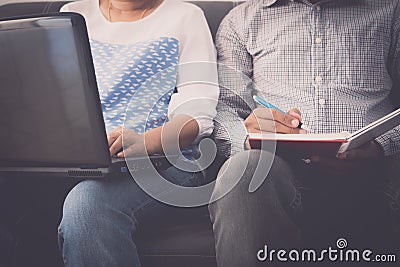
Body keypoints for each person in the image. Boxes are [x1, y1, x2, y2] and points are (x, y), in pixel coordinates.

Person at [209, 0, 400, 266]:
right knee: (243, 170)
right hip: (280, 171)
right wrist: (246, 136)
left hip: (378, 171)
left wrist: (382, 145)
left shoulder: (391, 11)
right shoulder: (240, 21)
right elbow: (224, 109)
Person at [58, 0, 218, 266]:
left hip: (167, 162)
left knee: (87, 206)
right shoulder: (73, 15)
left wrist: (145, 142)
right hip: (83, 159)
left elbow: (197, 116)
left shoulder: (185, 17)